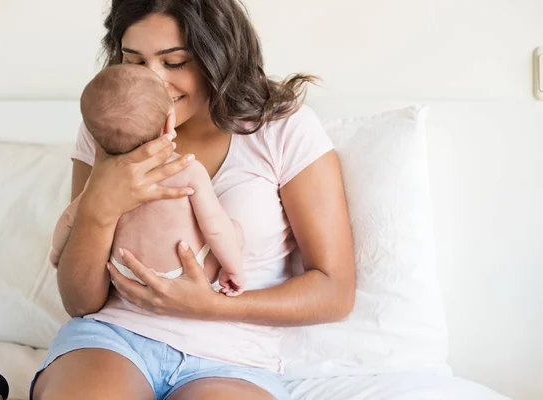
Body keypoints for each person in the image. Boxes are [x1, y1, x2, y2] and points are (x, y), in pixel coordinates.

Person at [32, 0, 356, 399]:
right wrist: (99, 206)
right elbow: (80, 301)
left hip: (233, 362)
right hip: (115, 337)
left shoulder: (284, 129)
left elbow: (334, 292)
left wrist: (213, 306)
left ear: (218, 58)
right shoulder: (112, 128)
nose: (152, 81)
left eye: (174, 63)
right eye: (134, 61)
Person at [50, 63, 246, 295]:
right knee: (234, 228)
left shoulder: (102, 182)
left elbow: (70, 219)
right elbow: (215, 227)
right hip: (184, 273)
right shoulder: (186, 170)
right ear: (168, 122)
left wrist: (57, 252)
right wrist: (233, 270)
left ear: (92, 135)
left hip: (125, 272)